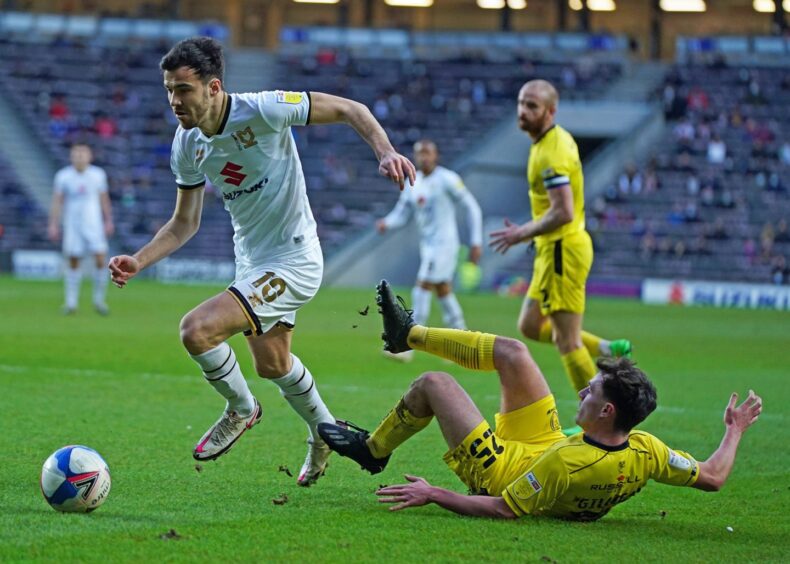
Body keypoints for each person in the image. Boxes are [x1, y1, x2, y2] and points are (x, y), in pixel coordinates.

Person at [107, 37, 416, 487]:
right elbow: (183, 224)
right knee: (272, 364)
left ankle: (241, 409)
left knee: (196, 330)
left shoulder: (266, 108)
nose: (174, 100)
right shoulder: (187, 144)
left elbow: (352, 109)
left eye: (184, 90)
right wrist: (139, 259)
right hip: (253, 263)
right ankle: (324, 433)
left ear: (213, 87)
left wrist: (384, 150)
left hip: (294, 259)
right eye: (169, 90)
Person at [318, 281, 762, 521]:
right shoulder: (647, 450)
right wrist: (734, 428)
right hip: (543, 442)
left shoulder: (569, 463)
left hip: (502, 470)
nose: (583, 392)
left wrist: (434, 493)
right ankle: (407, 335)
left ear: (608, 411)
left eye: (592, 392)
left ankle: (372, 450)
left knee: (434, 383)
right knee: (513, 352)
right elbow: (714, 476)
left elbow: (502, 508)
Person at [489, 79, 630, 435]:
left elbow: (563, 210)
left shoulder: (552, 152)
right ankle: (605, 346)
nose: (523, 110)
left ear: (550, 111)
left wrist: (521, 232)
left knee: (567, 342)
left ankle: (599, 423)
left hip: (562, 250)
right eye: (521, 103)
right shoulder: (545, 142)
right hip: (552, 250)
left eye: (532, 105)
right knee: (531, 326)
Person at [376, 139, 483, 361]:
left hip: (445, 244)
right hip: (428, 246)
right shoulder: (413, 183)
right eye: (419, 153)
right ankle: (463, 343)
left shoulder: (447, 179)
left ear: (436, 156)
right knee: (443, 290)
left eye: (428, 152)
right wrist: (387, 222)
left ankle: (409, 345)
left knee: (421, 287)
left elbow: (471, 207)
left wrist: (476, 241)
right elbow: (402, 213)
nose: (423, 157)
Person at [48, 142, 114, 315]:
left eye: (83, 153)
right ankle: (71, 303)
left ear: (89, 156)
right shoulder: (63, 176)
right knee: (73, 260)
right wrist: (53, 224)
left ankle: (99, 301)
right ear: (71, 156)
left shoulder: (98, 174)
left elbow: (104, 199)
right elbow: (57, 201)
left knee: (100, 260)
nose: (79, 157)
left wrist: (108, 220)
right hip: (73, 226)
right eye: (76, 154)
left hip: (94, 224)